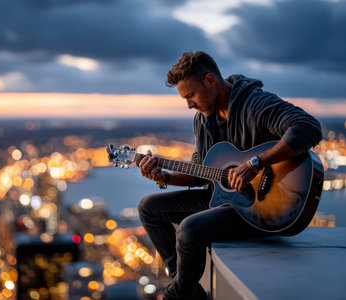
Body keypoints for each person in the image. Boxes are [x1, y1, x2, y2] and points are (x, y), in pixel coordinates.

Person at [137, 51, 322, 300]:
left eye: (190, 95)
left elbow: (308, 127)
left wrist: (255, 163)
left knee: (190, 229)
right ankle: (188, 291)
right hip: (225, 200)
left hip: (263, 208)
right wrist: (165, 178)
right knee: (149, 207)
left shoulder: (254, 103)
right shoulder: (202, 120)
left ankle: (177, 295)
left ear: (210, 81)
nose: (189, 105)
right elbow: (202, 175)